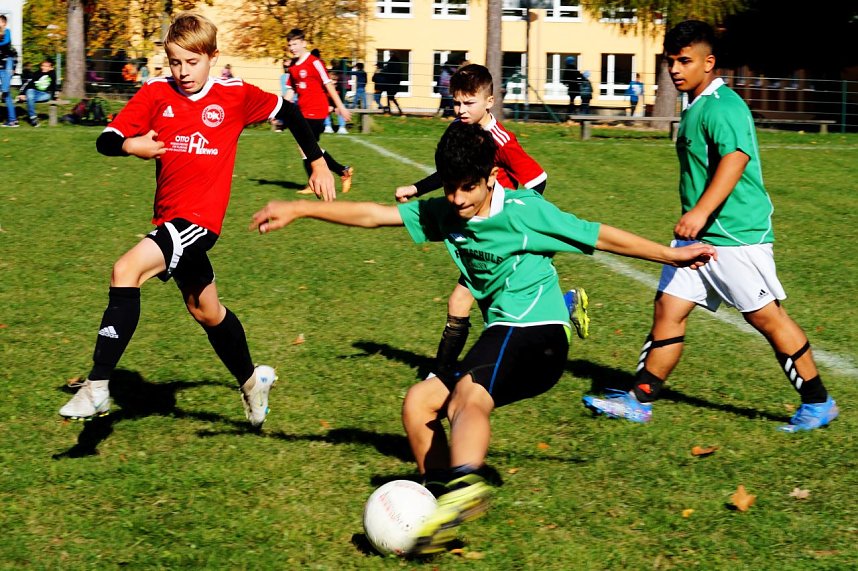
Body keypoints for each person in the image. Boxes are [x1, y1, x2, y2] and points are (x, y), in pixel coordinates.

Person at [249, 122, 716, 554]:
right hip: (503, 334)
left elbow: (600, 236)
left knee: (467, 398)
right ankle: (435, 512)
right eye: (450, 186)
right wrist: (301, 207)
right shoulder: (447, 212)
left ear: (492, 177)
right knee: (419, 403)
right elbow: (376, 215)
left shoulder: (526, 212)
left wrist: (669, 256)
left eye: (467, 187)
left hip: (540, 334)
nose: (457, 198)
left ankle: (465, 483)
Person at [58, 12, 337, 429]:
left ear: (212, 57)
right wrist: (130, 145)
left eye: (192, 62)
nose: (183, 72)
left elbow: (291, 112)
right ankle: (251, 382)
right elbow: (106, 139)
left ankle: (98, 387)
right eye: (175, 62)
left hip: (200, 222)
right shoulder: (156, 94)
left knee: (125, 270)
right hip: (170, 219)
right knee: (206, 310)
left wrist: (316, 162)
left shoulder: (234, 95)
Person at [581, 20, 839, 433]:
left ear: (709, 62)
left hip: (733, 237)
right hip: (699, 238)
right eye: (671, 62)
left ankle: (818, 402)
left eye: (685, 61)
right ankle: (640, 400)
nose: (676, 69)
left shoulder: (723, 106)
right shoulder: (697, 104)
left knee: (765, 318)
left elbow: (735, 159)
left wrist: (700, 211)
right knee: (668, 308)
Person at [394, 63, 588, 382]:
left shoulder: (500, 139)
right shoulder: (463, 132)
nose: (460, 109)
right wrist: (416, 188)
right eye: (456, 102)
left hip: (501, 236)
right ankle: (560, 310)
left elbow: (538, 178)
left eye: (468, 103)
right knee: (478, 302)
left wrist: (516, 217)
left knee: (466, 300)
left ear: (489, 101)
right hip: (479, 232)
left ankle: (441, 374)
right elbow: (454, 171)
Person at [283, 31, 353, 193]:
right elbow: (290, 91)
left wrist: (340, 106)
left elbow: (328, 85)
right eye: (290, 45)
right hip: (302, 111)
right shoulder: (293, 66)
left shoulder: (314, 62)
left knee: (306, 147)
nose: (292, 48)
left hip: (317, 110)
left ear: (304, 43)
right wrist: (279, 110)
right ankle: (342, 171)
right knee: (307, 147)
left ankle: (319, 181)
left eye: (295, 44)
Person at [17, 58, 56, 127]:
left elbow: (54, 86)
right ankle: (33, 117)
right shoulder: (36, 73)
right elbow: (28, 84)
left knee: (46, 97)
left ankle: (27, 99)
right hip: (33, 91)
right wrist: (22, 93)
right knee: (30, 91)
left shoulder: (52, 74)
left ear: (51, 67)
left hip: (44, 93)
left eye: (47, 66)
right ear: (41, 66)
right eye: (43, 66)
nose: (44, 68)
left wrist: (55, 97)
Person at [0, 15, 18, 127]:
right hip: (1, 66)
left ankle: (12, 120)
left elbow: (5, 43)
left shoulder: (7, 32)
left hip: (8, 64)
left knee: (5, 90)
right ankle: (12, 120)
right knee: (7, 95)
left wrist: (13, 68)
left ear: (4, 23)